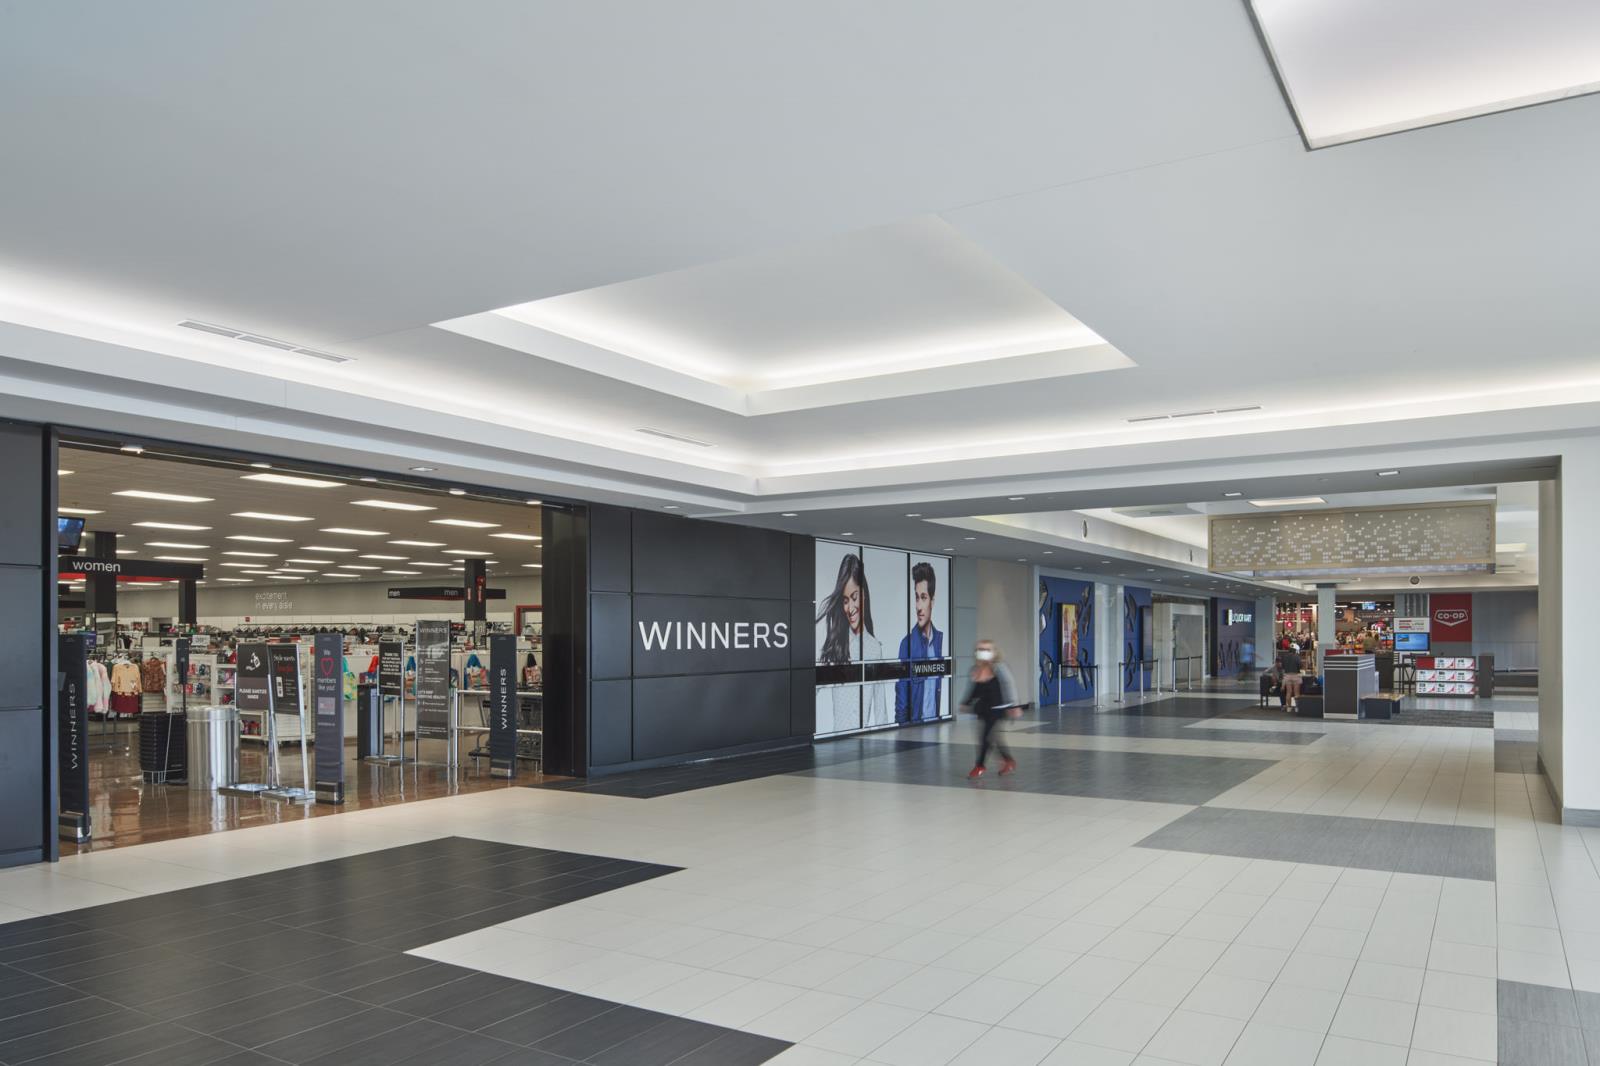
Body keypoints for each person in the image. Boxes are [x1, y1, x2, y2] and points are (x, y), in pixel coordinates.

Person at [817, 552, 887, 730]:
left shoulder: (874, 648)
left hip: (864, 739)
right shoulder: (834, 647)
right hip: (837, 739)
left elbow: (880, 707)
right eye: (845, 601)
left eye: (854, 597)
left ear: (864, 595)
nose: (850, 608)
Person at [895, 562, 944, 724]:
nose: (918, 606)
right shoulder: (907, 644)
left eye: (923, 598)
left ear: (932, 601)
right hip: (916, 726)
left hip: (935, 723)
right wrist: (901, 726)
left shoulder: (939, 642)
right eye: (917, 598)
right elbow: (902, 691)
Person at [963, 639, 1019, 779]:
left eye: (987, 649)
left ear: (994, 652)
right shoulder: (975, 669)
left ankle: (980, 765)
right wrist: (966, 702)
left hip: (998, 709)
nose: (983, 652)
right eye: (980, 649)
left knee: (985, 737)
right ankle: (1008, 761)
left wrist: (1014, 705)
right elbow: (975, 690)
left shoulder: (999, 668)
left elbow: (1009, 685)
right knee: (994, 738)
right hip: (983, 709)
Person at [1276, 641, 1303, 710]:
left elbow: (1283, 666)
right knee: (1296, 692)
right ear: (1295, 651)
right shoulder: (1297, 657)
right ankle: (1297, 708)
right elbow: (1300, 666)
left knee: (1288, 692)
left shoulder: (1284, 657)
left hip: (1287, 676)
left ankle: (1289, 707)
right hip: (1295, 675)